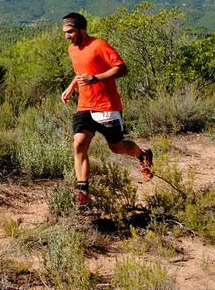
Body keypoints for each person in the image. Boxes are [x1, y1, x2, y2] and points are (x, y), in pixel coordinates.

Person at [60, 12, 153, 207]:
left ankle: (142, 155)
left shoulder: (99, 45)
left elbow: (122, 68)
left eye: (70, 32)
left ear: (82, 29)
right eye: (65, 32)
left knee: (116, 147)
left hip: (107, 106)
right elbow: (80, 72)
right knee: (79, 145)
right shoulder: (72, 50)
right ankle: (82, 191)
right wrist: (71, 87)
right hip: (85, 106)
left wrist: (95, 78)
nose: (67, 36)